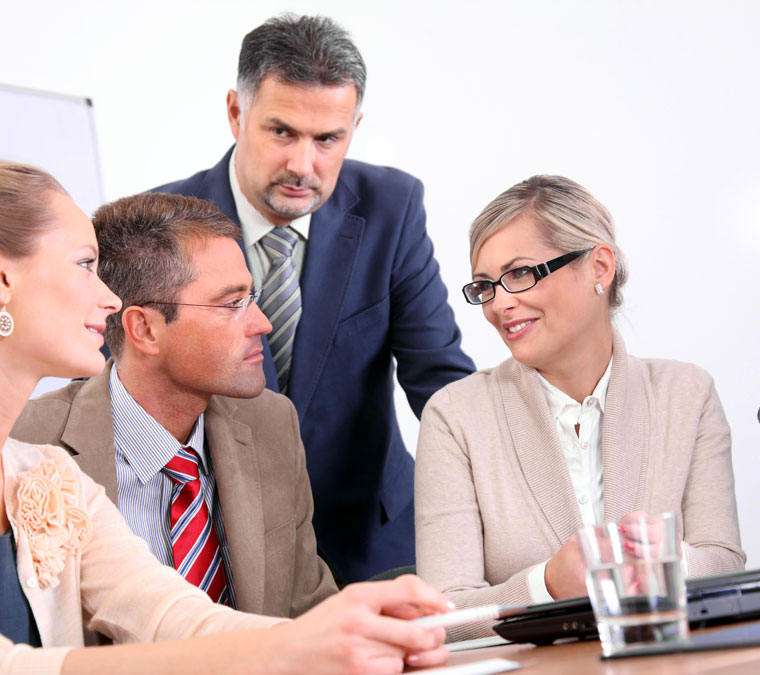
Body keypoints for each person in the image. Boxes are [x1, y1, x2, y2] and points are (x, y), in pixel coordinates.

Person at [0, 161, 451, 673]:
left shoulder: (49, 476)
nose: (107, 299)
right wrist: (298, 645)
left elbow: (172, 615)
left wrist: (338, 630)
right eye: (85, 264)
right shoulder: (52, 450)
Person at [153, 14, 475, 584]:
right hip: (223, 551)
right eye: (282, 132)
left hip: (372, 542)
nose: (304, 166)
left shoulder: (391, 207)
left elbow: (442, 381)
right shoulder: (160, 224)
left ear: (354, 126)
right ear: (236, 112)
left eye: (328, 139)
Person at [415, 175, 745, 640]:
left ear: (599, 267)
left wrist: (661, 557)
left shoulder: (686, 393)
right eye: (485, 286)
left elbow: (724, 559)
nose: (500, 305)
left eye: (520, 274)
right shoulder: (455, 415)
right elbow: (441, 615)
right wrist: (546, 585)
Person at [11, 192, 337, 618]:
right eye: (232, 303)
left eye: (251, 297)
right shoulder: (25, 444)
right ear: (143, 329)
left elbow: (310, 612)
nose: (263, 322)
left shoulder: (270, 422)